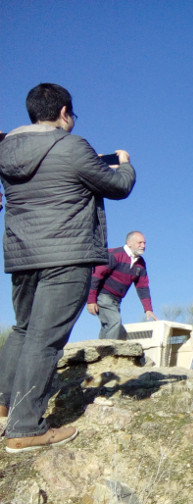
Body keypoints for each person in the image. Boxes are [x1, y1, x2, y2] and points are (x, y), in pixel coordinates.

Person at [0, 83, 135, 452]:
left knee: (24, 330)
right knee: (46, 340)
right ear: (63, 112)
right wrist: (125, 162)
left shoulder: (5, 148)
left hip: (23, 255)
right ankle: (25, 428)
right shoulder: (72, 146)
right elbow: (117, 186)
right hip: (67, 255)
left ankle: (3, 406)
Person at [86, 231, 157, 339]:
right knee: (115, 322)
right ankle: (109, 352)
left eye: (144, 243)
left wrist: (148, 309)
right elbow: (95, 276)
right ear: (129, 243)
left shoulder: (140, 263)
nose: (143, 246)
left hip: (117, 300)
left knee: (110, 327)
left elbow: (143, 287)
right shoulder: (115, 255)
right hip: (103, 295)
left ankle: (100, 352)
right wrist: (91, 300)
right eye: (140, 242)